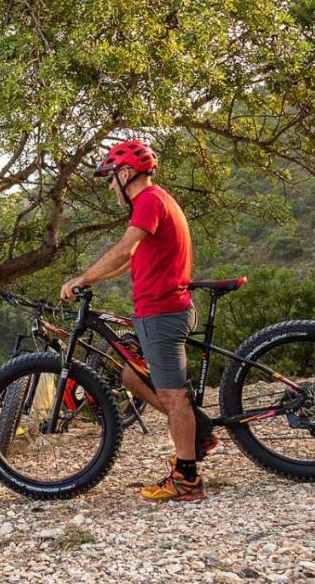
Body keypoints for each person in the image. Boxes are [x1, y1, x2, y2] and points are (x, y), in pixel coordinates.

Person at [60, 140, 215, 503]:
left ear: (126, 173)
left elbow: (123, 249)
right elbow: (130, 261)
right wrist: (92, 279)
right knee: (131, 375)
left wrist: (80, 279)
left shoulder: (148, 201)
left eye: (111, 179)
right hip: (154, 311)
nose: (111, 186)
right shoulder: (157, 202)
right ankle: (198, 431)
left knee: (174, 397)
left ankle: (187, 479)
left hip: (163, 312)